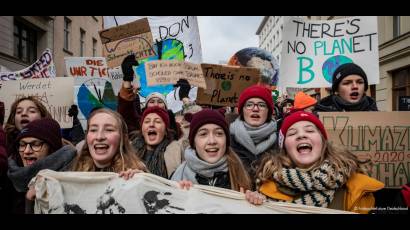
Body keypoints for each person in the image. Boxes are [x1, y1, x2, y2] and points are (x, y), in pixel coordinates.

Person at [246, 111, 384, 213]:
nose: (301, 135)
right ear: (285, 148)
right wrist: (254, 204)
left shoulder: (356, 189)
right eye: (292, 133)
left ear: (323, 142)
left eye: (310, 131)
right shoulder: (266, 186)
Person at [7, 118, 77, 213]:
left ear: (52, 148)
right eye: (22, 145)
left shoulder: (73, 179)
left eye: (35, 144)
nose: (27, 151)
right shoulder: (10, 179)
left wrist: (30, 203)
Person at [171, 109, 251, 192]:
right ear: (193, 142)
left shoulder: (240, 173)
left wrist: (253, 201)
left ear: (226, 140)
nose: (212, 141)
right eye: (203, 134)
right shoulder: (178, 177)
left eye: (219, 133)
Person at [117, 54, 182, 139]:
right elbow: (126, 111)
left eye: (160, 101)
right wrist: (127, 79)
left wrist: (185, 98)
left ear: (165, 106)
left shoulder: (175, 127)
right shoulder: (138, 125)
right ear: (146, 106)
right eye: (151, 102)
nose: (156, 104)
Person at [71, 108, 147, 176]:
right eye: (93, 130)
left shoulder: (136, 174)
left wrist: (140, 182)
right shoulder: (74, 173)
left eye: (109, 130)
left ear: (123, 138)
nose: (99, 137)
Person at [229, 84, 277, 186]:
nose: (255, 109)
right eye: (249, 104)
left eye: (262, 105)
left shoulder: (281, 143)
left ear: (268, 111)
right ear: (242, 110)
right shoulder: (227, 140)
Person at [130, 106, 183, 179]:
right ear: (142, 130)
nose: (151, 125)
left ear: (165, 131)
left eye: (157, 121)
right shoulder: (129, 150)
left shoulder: (176, 151)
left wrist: (145, 174)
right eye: (147, 121)